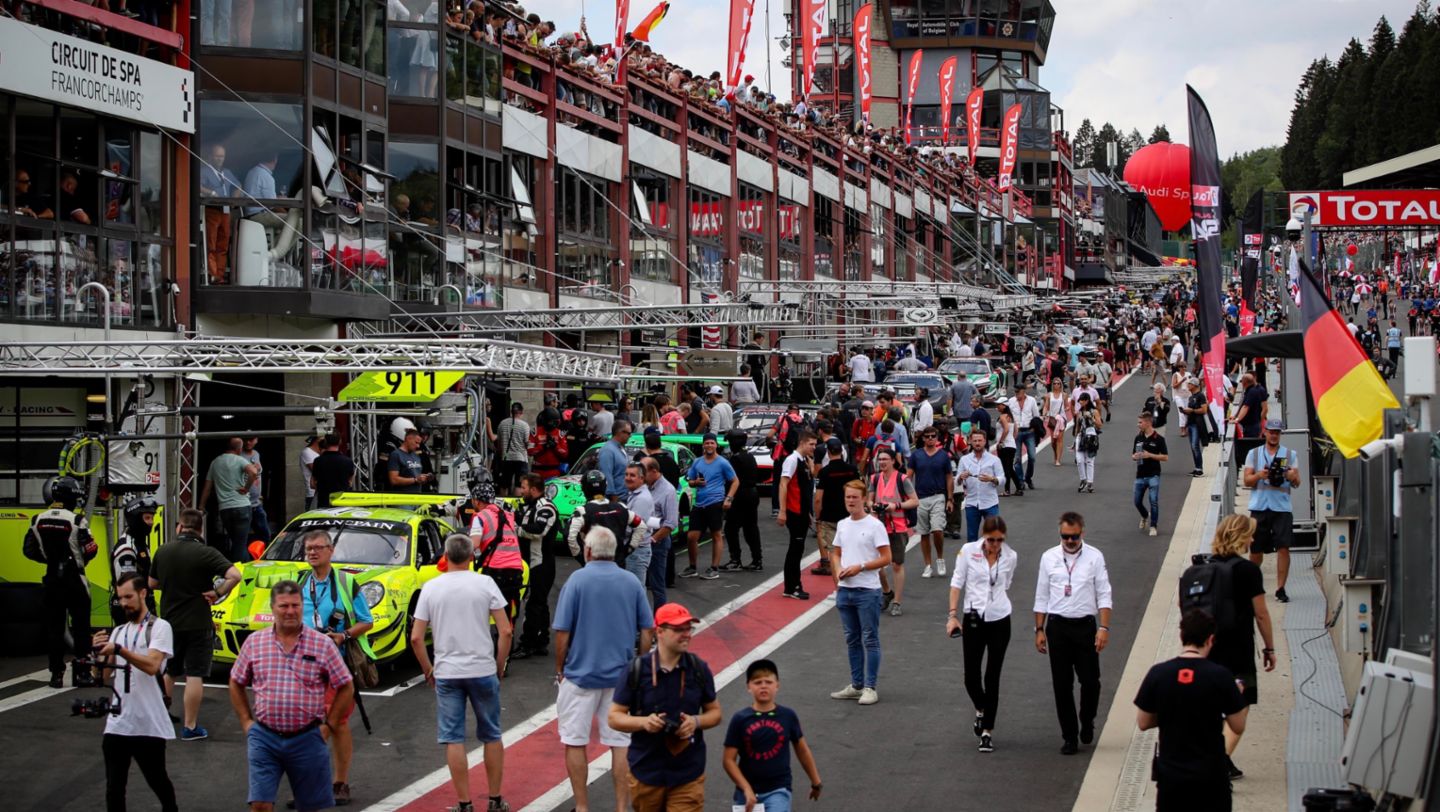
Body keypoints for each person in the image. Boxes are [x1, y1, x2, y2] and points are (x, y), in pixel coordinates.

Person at [552, 527, 656, 812]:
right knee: (620, 743)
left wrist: (560, 668)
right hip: (621, 677)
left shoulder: (577, 580)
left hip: (580, 675)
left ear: (588, 551)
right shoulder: (630, 581)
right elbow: (647, 630)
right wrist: (640, 664)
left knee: (575, 741)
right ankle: (621, 807)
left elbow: (562, 632)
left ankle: (582, 806)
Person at [228, 580, 355, 812]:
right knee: (260, 805)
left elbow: (346, 685)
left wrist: (330, 725)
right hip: (264, 737)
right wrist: (246, 722)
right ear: (272, 608)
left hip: (307, 738)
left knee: (310, 806)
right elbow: (236, 681)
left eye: (295, 605)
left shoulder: (322, 644)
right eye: (283, 606)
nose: (290, 611)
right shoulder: (255, 642)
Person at [411, 534, 514, 812]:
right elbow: (505, 630)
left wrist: (428, 669)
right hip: (482, 668)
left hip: (447, 671)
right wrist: (499, 664)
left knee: (453, 737)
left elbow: (416, 637)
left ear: (445, 556)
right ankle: (495, 799)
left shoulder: (431, 587)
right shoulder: (485, 583)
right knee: (491, 734)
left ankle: (464, 803)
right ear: (472, 556)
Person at [1185, 514, 1276, 780]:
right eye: (1250, 534)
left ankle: (1212, 757)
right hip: (1238, 650)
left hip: (1206, 648)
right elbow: (1261, 614)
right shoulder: (1248, 570)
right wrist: (1269, 648)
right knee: (1239, 707)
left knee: (1210, 706)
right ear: (1241, 537)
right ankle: (1219, 759)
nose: (1253, 539)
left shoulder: (1202, 568)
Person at [607, 603, 722, 810]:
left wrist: (695, 721)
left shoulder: (698, 668)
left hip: (687, 773)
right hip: (646, 772)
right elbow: (614, 717)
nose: (686, 634)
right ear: (659, 631)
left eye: (688, 628)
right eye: (678, 629)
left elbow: (715, 713)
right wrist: (644, 722)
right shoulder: (636, 670)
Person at [1135, 610, 1248, 811]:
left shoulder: (1159, 673)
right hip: (1211, 776)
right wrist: (1235, 696)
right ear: (1210, 639)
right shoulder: (1220, 676)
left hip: (1171, 776)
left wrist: (1172, 710)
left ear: (1181, 636)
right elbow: (1238, 726)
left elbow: (1143, 722)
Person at [294, 529, 374, 806]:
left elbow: (366, 621)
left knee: (334, 723)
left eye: (318, 548)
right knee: (306, 724)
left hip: (337, 664)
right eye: (308, 549)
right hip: (304, 664)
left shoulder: (346, 582)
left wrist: (343, 635)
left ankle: (338, 783)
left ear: (331, 550)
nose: (312, 553)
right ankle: (311, 784)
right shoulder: (299, 582)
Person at [150, 507, 242, 741]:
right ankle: (190, 726)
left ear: (180, 527)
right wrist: (217, 592)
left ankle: (161, 715)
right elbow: (235, 575)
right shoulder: (206, 553)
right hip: (198, 622)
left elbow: (152, 583)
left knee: (170, 671)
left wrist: (172, 584)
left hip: (169, 622)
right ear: (200, 530)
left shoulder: (163, 551)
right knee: (195, 674)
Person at [93, 574, 179, 812]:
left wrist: (120, 650)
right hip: (118, 723)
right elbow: (102, 677)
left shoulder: (160, 627)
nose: (123, 603)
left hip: (148, 724)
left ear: (143, 593)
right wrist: (97, 654)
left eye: (128, 597)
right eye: (120, 598)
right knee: (114, 788)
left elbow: (152, 666)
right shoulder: (119, 631)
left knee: (158, 782)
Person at [1034, 512, 1114, 755]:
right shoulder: (1048, 557)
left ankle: (1087, 719)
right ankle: (1069, 736)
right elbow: (1041, 595)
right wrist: (1039, 629)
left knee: (1091, 681)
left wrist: (1104, 628)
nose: (1069, 541)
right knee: (1062, 685)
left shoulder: (1094, 557)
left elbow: (1104, 593)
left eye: (1074, 537)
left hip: (1085, 626)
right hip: (1057, 626)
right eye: (1065, 536)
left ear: (1082, 533)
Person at [947, 516, 1018, 753]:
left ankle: (987, 731)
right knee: (971, 676)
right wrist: (952, 615)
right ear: (983, 537)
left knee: (992, 676)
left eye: (999, 540)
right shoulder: (968, 551)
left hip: (1000, 618)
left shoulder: (1010, 556)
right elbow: (957, 583)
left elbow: (1006, 583)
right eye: (991, 540)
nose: (995, 545)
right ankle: (981, 708)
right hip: (974, 617)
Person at [23, 476, 98, 688]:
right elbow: (91, 549)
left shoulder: (37, 520)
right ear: (71, 497)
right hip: (75, 578)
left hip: (52, 578)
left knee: (54, 628)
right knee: (81, 627)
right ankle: (83, 673)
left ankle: (56, 674)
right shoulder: (77, 520)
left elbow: (28, 550)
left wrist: (50, 559)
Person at [722, 659, 823, 812]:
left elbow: (802, 750)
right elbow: (728, 760)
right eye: (757, 682)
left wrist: (816, 782)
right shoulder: (740, 719)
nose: (763, 686)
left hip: (778, 789)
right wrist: (746, 788)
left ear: (777, 685)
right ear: (748, 687)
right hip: (746, 793)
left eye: (768, 682)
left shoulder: (787, 716)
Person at [829, 479, 891, 705]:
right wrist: (838, 572)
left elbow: (886, 557)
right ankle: (856, 685)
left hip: (868, 591)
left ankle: (870, 687)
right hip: (845, 591)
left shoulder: (875, 525)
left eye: (855, 497)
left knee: (870, 639)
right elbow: (836, 553)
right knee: (852, 640)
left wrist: (860, 567)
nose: (851, 501)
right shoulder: (842, 524)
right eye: (848, 497)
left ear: (864, 499)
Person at [1242, 419, 1301, 603]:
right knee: (1256, 550)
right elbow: (1247, 480)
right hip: (1259, 507)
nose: (1274, 435)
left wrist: (1291, 476)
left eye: (1277, 432)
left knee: (1283, 548)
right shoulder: (1254, 454)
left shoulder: (1290, 455)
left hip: (1281, 508)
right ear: (1265, 432)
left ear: (1280, 434)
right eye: (1271, 432)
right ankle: (1252, 585)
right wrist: (1260, 475)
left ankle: (1280, 588)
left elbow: (1297, 482)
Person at [468, 478, 528, 631]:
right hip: (516, 570)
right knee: (508, 615)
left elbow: (474, 544)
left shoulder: (480, 517)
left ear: (477, 501)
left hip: (495, 569)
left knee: (484, 612)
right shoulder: (508, 515)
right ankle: (507, 642)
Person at [512, 473, 561, 659]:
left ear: (533, 489)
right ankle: (541, 641)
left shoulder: (546, 507)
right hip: (531, 562)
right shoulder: (530, 506)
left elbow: (539, 530)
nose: (521, 491)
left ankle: (528, 643)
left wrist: (515, 529)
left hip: (541, 563)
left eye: (524, 487)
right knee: (538, 603)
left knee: (535, 604)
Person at [866, 446, 916, 617]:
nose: (882, 462)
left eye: (885, 459)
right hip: (878, 525)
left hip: (898, 526)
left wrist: (896, 506)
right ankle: (887, 591)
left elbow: (915, 501)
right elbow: (869, 499)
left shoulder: (902, 479)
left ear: (893, 461)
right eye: (879, 459)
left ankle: (897, 602)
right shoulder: (874, 478)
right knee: (876, 563)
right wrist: (873, 506)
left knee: (897, 564)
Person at [681, 432, 738, 580]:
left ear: (716, 445)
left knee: (716, 535)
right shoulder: (697, 462)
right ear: (703, 445)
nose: (709, 445)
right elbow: (690, 481)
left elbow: (735, 481)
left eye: (712, 443)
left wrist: (729, 499)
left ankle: (714, 568)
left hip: (715, 502)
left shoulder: (722, 462)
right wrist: (695, 482)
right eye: (707, 443)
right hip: (699, 504)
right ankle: (692, 567)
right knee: (691, 537)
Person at [199, 437, 259, 562]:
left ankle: (240, 566)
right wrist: (246, 488)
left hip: (225, 509)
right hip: (242, 506)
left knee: (236, 542)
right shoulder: (240, 460)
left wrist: (201, 506)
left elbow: (207, 488)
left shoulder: (215, 462)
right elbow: (253, 472)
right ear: (239, 449)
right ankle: (239, 569)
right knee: (240, 544)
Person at [776, 431, 817, 599]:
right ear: (802, 443)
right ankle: (792, 586)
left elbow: (806, 487)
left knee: (798, 549)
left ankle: (792, 585)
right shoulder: (792, 460)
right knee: (795, 549)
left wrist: (808, 513)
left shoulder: (804, 460)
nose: (814, 447)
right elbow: (783, 484)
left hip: (802, 512)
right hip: (794, 511)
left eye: (815, 444)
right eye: (811, 444)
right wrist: (782, 510)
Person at [911, 427, 954, 579]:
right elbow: (909, 476)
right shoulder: (916, 455)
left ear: (937, 438)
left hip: (938, 496)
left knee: (937, 530)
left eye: (933, 436)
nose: (930, 438)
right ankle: (928, 565)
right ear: (923, 438)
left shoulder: (943, 456)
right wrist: (908, 497)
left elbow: (949, 477)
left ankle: (940, 558)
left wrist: (950, 498)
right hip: (921, 498)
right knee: (923, 533)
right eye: (927, 436)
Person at [812, 437, 857, 579]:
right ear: (841, 451)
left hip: (829, 515)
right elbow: (860, 490)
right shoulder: (852, 470)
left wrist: (818, 516)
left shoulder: (824, 472)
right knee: (850, 548)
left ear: (828, 452)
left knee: (833, 552)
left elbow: (818, 498)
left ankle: (838, 581)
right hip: (849, 515)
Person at [721, 429, 763, 572]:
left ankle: (735, 560)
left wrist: (728, 497)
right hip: (752, 494)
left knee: (731, 528)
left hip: (740, 495)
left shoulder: (735, 459)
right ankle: (757, 559)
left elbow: (732, 480)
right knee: (751, 527)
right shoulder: (749, 456)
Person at [641, 456, 680, 607]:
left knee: (657, 585)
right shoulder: (644, 486)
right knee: (639, 583)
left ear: (654, 471)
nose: (641, 475)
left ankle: (659, 618)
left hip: (657, 542)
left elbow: (671, 523)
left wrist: (653, 539)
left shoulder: (668, 491)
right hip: (641, 540)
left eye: (643, 472)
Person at [1132, 412, 1169, 537]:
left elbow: (1165, 457)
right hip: (1140, 474)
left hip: (1153, 474)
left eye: (1140, 422)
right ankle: (1144, 515)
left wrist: (1150, 455)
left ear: (1148, 423)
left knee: (1153, 500)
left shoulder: (1159, 439)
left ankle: (1153, 526)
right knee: (1137, 501)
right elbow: (1133, 454)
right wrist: (1135, 456)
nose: (1138, 425)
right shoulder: (1138, 437)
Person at [621, 463, 656, 583]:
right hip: (635, 550)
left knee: (635, 589)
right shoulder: (635, 494)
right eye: (626, 474)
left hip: (637, 552)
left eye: (632, 475)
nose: (628, 478)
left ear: (642, 478)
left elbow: (632, 528)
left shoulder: (642, 499)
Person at [1005, 383, 1041, 491]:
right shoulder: (1011, 401)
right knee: (1017, 459)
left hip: (1029, 431)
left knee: (1032, 457)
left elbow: (1036, 416)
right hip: (1016, 432)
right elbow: (1008, 416)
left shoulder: (1031, 400)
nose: (1016, 394)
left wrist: (1033, 428)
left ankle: (1028, 478)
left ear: (1024, 391)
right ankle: (1020, 480)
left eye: (1018, 391)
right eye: (1015, 391)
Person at [493, 404, 531, 497]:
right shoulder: (525, 425)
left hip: (506, 458)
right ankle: (516, 504)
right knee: (519, 485)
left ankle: (503, 504)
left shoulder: (502, 424)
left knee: (504, 485)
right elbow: (527, 444)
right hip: (521, 459)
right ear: (521, 412)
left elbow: (499, 443)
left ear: (511, 411)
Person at [1229, 372, 1267, 461]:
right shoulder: (1254, 390)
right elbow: (1243, 406)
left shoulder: (1252, 392)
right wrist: (1235, 416)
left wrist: (1237, 419)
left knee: (1251, 448)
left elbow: (1246, 407)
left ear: (1244, 382)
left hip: (1252, 425)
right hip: (1253, 424)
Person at [309, 435, 355, 509]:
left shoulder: (318, 461)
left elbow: (312, 484)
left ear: (325, 443)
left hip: (324, 501)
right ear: (340, 442)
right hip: (342, 501)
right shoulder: (348, 461)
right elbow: (350, 482)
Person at [1071, 392, 1102, 494]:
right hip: (1081, 437)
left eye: (1081, 400)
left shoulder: (1094, 411)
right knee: (1079, 460)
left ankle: (1090, 483)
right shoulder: (1079, 412)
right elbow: (1077, 427)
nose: (1080, 402)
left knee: (1089, 461)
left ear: (1087, 401)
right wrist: (1075, 441)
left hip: (1091, 436)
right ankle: (1083, 479)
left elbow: (1099, 425)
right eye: (1079, 400)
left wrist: (1091, 418)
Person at [242, 436, 270, 543]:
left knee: (265, 535)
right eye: (246, 439)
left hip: (257, 503)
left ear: (256, 440)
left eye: (251, 439)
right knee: (243, 537)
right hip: (245, 503)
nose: (248, 442)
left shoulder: (256, 454)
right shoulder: (239, 456)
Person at [527, 410, 569, 481]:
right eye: (552, 422)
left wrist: (555, 446)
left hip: (554, 471)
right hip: (538, 471)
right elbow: (529, 451)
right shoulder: (535, 432)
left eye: (556, 422)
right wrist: (543, 447)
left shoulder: (560, 434)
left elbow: (565, 454)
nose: (554, 424)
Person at [598, 420, 633, 501]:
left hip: (625, 497)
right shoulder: (608, 450)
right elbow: (606, 476)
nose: (630, 436)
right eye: (628, 433)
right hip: (617, 499)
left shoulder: (620, 448)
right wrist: (614, 500)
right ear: (620, 432)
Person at [299, 435, 321, 511]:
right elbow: (318, 471)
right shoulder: (307, 452)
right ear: (318, 439)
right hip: (313, 493)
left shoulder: (320, 453)